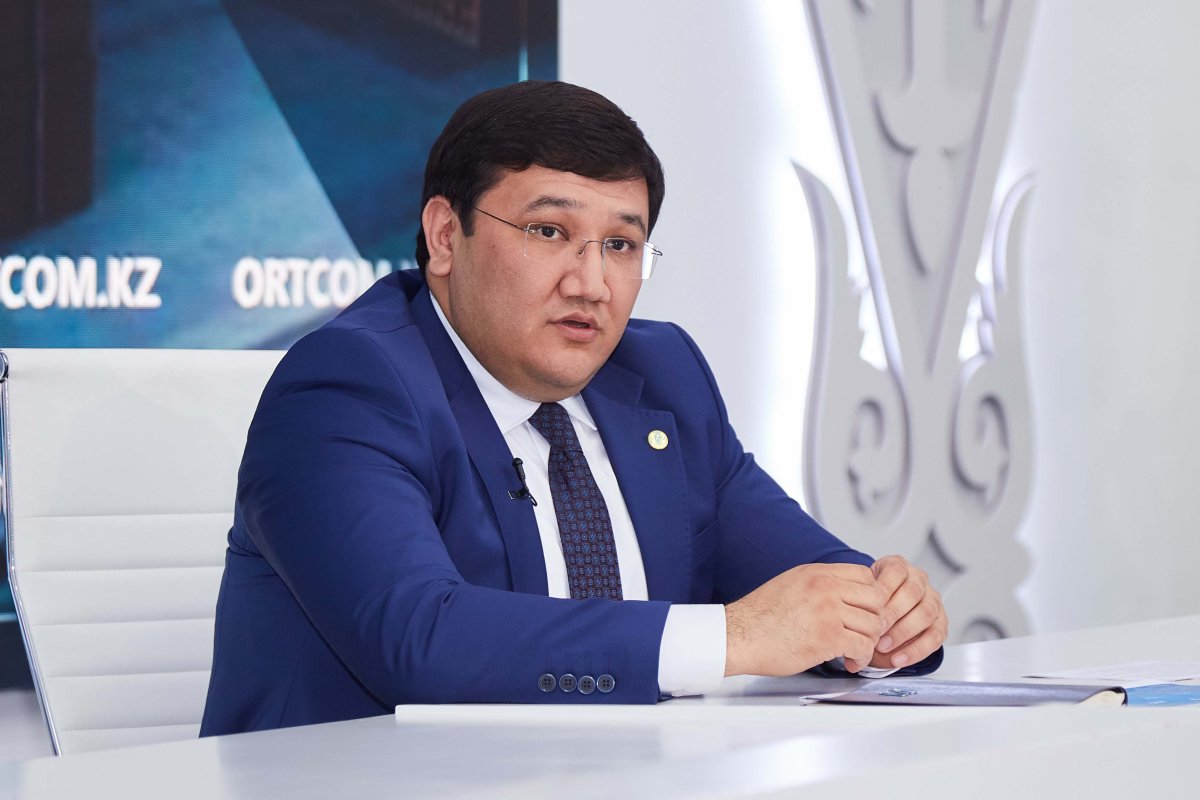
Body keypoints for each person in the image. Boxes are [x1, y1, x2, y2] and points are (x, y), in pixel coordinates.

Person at [200, 80, 947, 736]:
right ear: (444, 236)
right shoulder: (349, 386)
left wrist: (884, 617)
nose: (591, 283)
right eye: (550, 232)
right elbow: (419, 639)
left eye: (621, 245)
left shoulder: (663, 377)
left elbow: (806, 578)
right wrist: (732, 638)